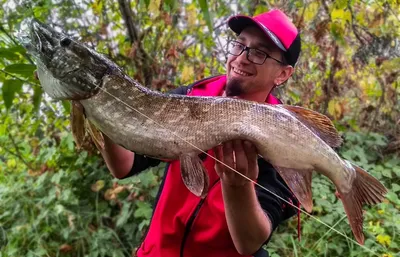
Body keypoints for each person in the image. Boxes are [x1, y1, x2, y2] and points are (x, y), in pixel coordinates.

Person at [100, 8, 301, 257]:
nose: (242, 57)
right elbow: (124, 166)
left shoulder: (289, 136)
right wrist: (100, 110)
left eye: (259, 52)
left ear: (283, 74)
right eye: (239, 45)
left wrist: (238, 186)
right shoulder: (191, 96)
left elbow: (249, 243)